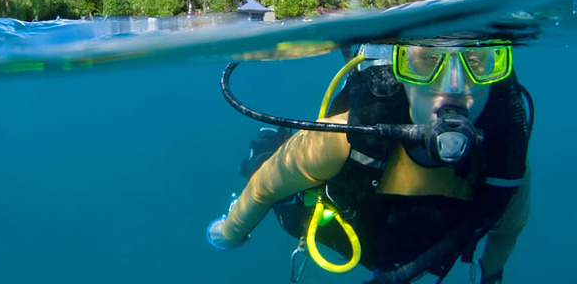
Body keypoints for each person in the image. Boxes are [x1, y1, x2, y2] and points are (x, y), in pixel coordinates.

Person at [207, 41, 532, 284]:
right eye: (427, 61)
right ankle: (270, 143)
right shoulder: (343, 138)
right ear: (401, 72)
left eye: (478, 62)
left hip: (399, 245)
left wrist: (490, 276)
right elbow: (265, 186)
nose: (454, 86)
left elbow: (506, 230)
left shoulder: (504, 166)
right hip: (339, 230)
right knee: (272, 179)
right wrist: (230, 232)